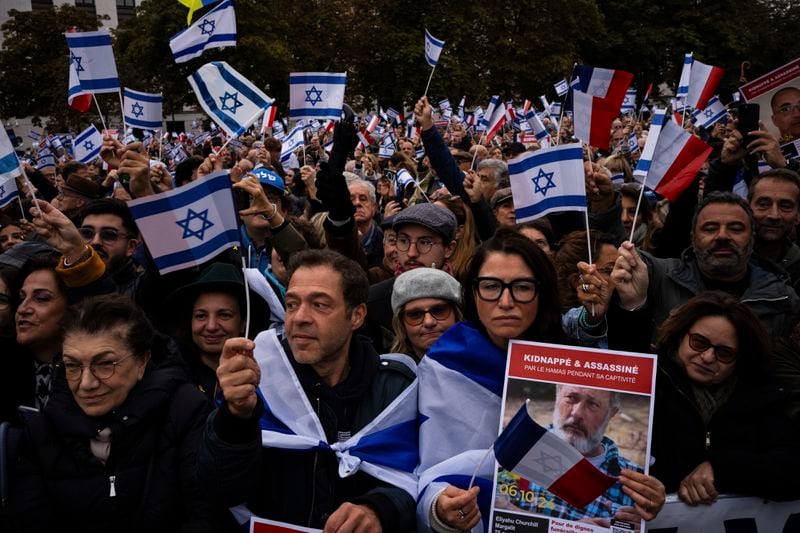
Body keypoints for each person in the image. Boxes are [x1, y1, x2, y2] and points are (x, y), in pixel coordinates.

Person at [417, 229, 664, 531]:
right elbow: (422, 469)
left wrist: (645, 498)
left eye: (522, 287)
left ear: (542, 292)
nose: (506, 301)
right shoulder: (445, 363)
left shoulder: (577, 364)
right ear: (473, 293)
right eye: (491, 286)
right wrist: (439, 510)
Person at [197, 249, 417, 531]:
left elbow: (417, 479)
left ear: (357, 316)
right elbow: (219, 490)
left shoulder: (396, 389)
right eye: (291, 304)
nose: (299, 317)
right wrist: (235, 417)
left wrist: (379, 508)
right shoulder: (256, 382)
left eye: (320, 305)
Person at [6, 293, 226, 531]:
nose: (86, 383)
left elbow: (204, 516)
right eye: (72, 366)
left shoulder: (184, 411)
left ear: (142, 362)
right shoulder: (42, 429)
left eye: (105, 364)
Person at [608, 291, 800, 504]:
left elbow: (791, 466)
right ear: (681, 335)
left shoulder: (760, 398)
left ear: (740, 359)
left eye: (724, 353)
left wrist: (721, 468)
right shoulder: (650, 381)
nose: (707, 357)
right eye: (699, 343)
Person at [612, 191, 800, 337]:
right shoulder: (659, 277)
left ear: (752, 238)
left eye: (735, 229)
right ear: (693, 238)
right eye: (710, 229)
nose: (722, 236)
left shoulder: (781, 299)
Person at [501, 386, 644, 525]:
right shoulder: (518, 447)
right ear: (557, 396)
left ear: (611, 412)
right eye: (571, 398)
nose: (577, 413)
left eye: (592, 404)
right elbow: (496, 511)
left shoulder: (636, 480)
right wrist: (573, 529)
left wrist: (642, 524)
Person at [165, 262, 269, 402]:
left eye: (224, 315)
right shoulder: (170, 379)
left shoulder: (268, 379)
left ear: (243, 323)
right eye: (201, 316)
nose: (211, 326)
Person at [390, 267, 463, 360]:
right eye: (415, 314)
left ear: (457, 314)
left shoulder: (483, 363)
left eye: (438, 310)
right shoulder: (392, 373)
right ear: (401, 323)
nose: (429, 322)